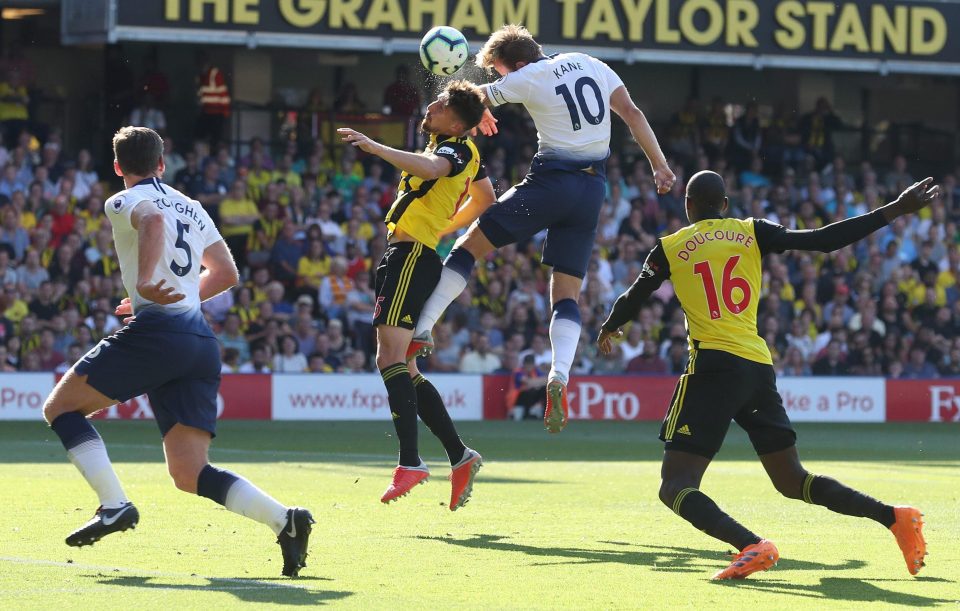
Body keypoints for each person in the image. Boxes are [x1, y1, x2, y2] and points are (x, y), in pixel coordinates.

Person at [597, 170, 934, 580]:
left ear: (688, 207)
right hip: (757, 367)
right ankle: (895, 518)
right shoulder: (751, 231)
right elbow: (823, 240)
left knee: (675, 485)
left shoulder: (670, 247)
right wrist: (896, 208)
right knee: (792, 480)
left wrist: (611, 324)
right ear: (724, 205)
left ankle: (752, 546)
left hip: (712, 369)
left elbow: (635, 294)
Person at [40, 127, 313, 577]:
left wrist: (147, 285)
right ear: (162, 164)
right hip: (199, 343)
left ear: (116, 167)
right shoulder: (192, 205)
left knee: (61, 408)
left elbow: (151, 221)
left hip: (159, 335)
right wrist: (179, 295)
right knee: (189, 473)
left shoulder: (121, 199)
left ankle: (114, 505)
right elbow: (226, 273)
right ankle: (286, 521)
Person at [409, 24, 676, 434]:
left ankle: (424, 326)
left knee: (468, 246)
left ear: (516, 64)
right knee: (566, 292)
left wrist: (470, 105)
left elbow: (467, 99)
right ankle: (560, 374)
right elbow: (633, 114)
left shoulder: (528, 76)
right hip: (592, 189)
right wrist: (659, 164)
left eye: (499, 72)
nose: (501, 80)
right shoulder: (590, 62)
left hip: (552, 180)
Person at [337, 79, 496, 508]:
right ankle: (459, 456)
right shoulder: (460, 146)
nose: (431, 104)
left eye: (441, 103)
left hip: (412, 256)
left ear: (457, 121)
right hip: (409, 252)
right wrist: (446, 226)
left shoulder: (456, 149)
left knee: (388, 356)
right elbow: (486, 196)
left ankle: (410, 462)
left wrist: (376, 147)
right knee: (402, 364)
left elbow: (432, 169)